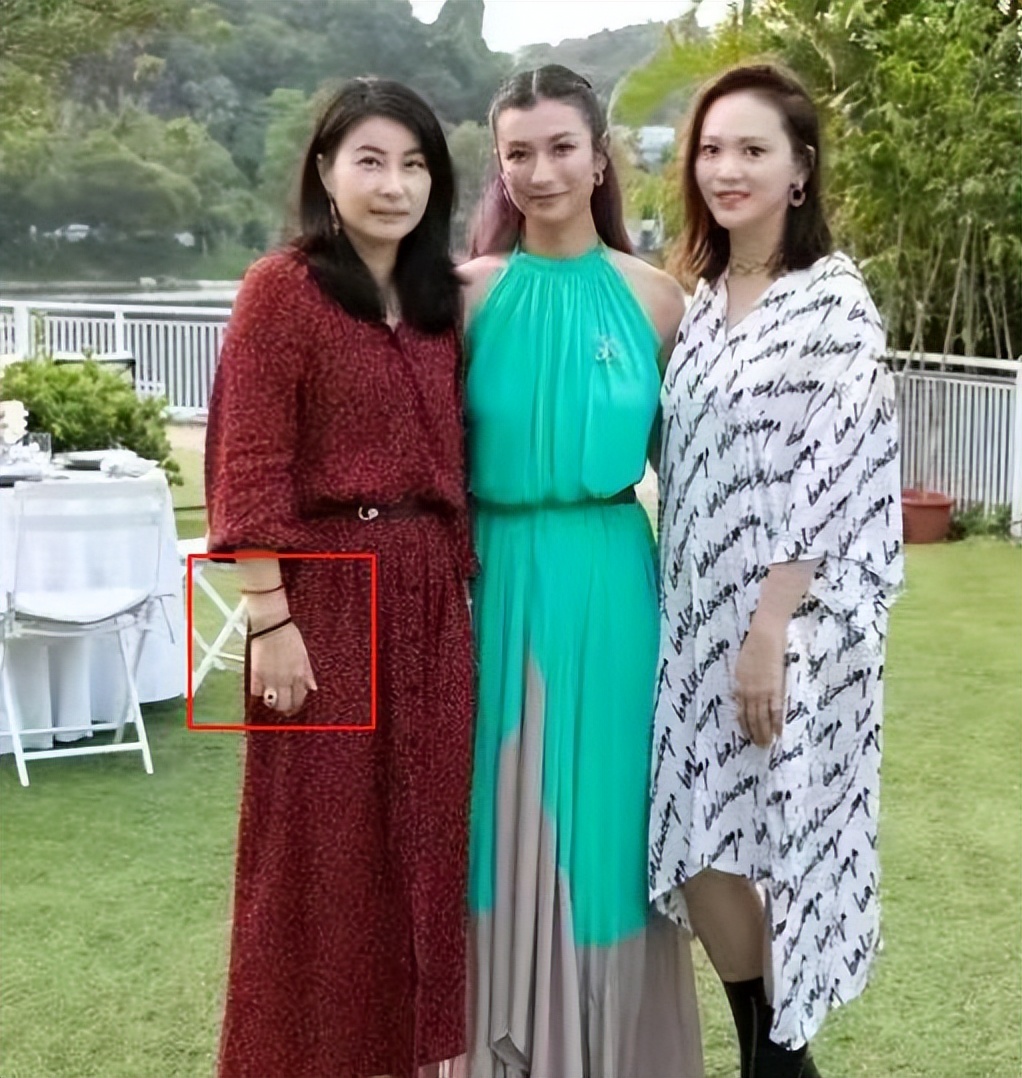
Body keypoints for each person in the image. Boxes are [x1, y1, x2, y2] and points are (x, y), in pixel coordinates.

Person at [205, 78, 476, 1078]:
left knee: (423, 848)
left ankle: (406, 1060)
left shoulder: (441, 302)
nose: (392, 184)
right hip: (322, 596)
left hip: (431, 597)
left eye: (413, 164)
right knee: (311, 857)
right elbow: (249, 461)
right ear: (325, 170)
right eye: (370, 160)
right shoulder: (281, 289)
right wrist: (270, 618)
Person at [649, 63, 903, 1078]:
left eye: (752, 149)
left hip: (797, 624)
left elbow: (838, 475)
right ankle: (781, 1062)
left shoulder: (835, 303)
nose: (727, 168)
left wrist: (768, 633)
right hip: (694, 617)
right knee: (692, 838)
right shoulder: (702, 302)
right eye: (711, 149)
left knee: (790, 843)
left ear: (799, 170)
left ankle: (776, 1061)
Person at [460, 64, 705, 1077]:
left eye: (561, 147)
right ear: (499, 165)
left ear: (598, 159)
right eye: (518, 152)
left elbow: (700, 478)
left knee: (603, 828)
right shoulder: (464, 296)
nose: (541, 171)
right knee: (494, 822)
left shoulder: (659, 301)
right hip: (492, 581)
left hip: (613, 586)